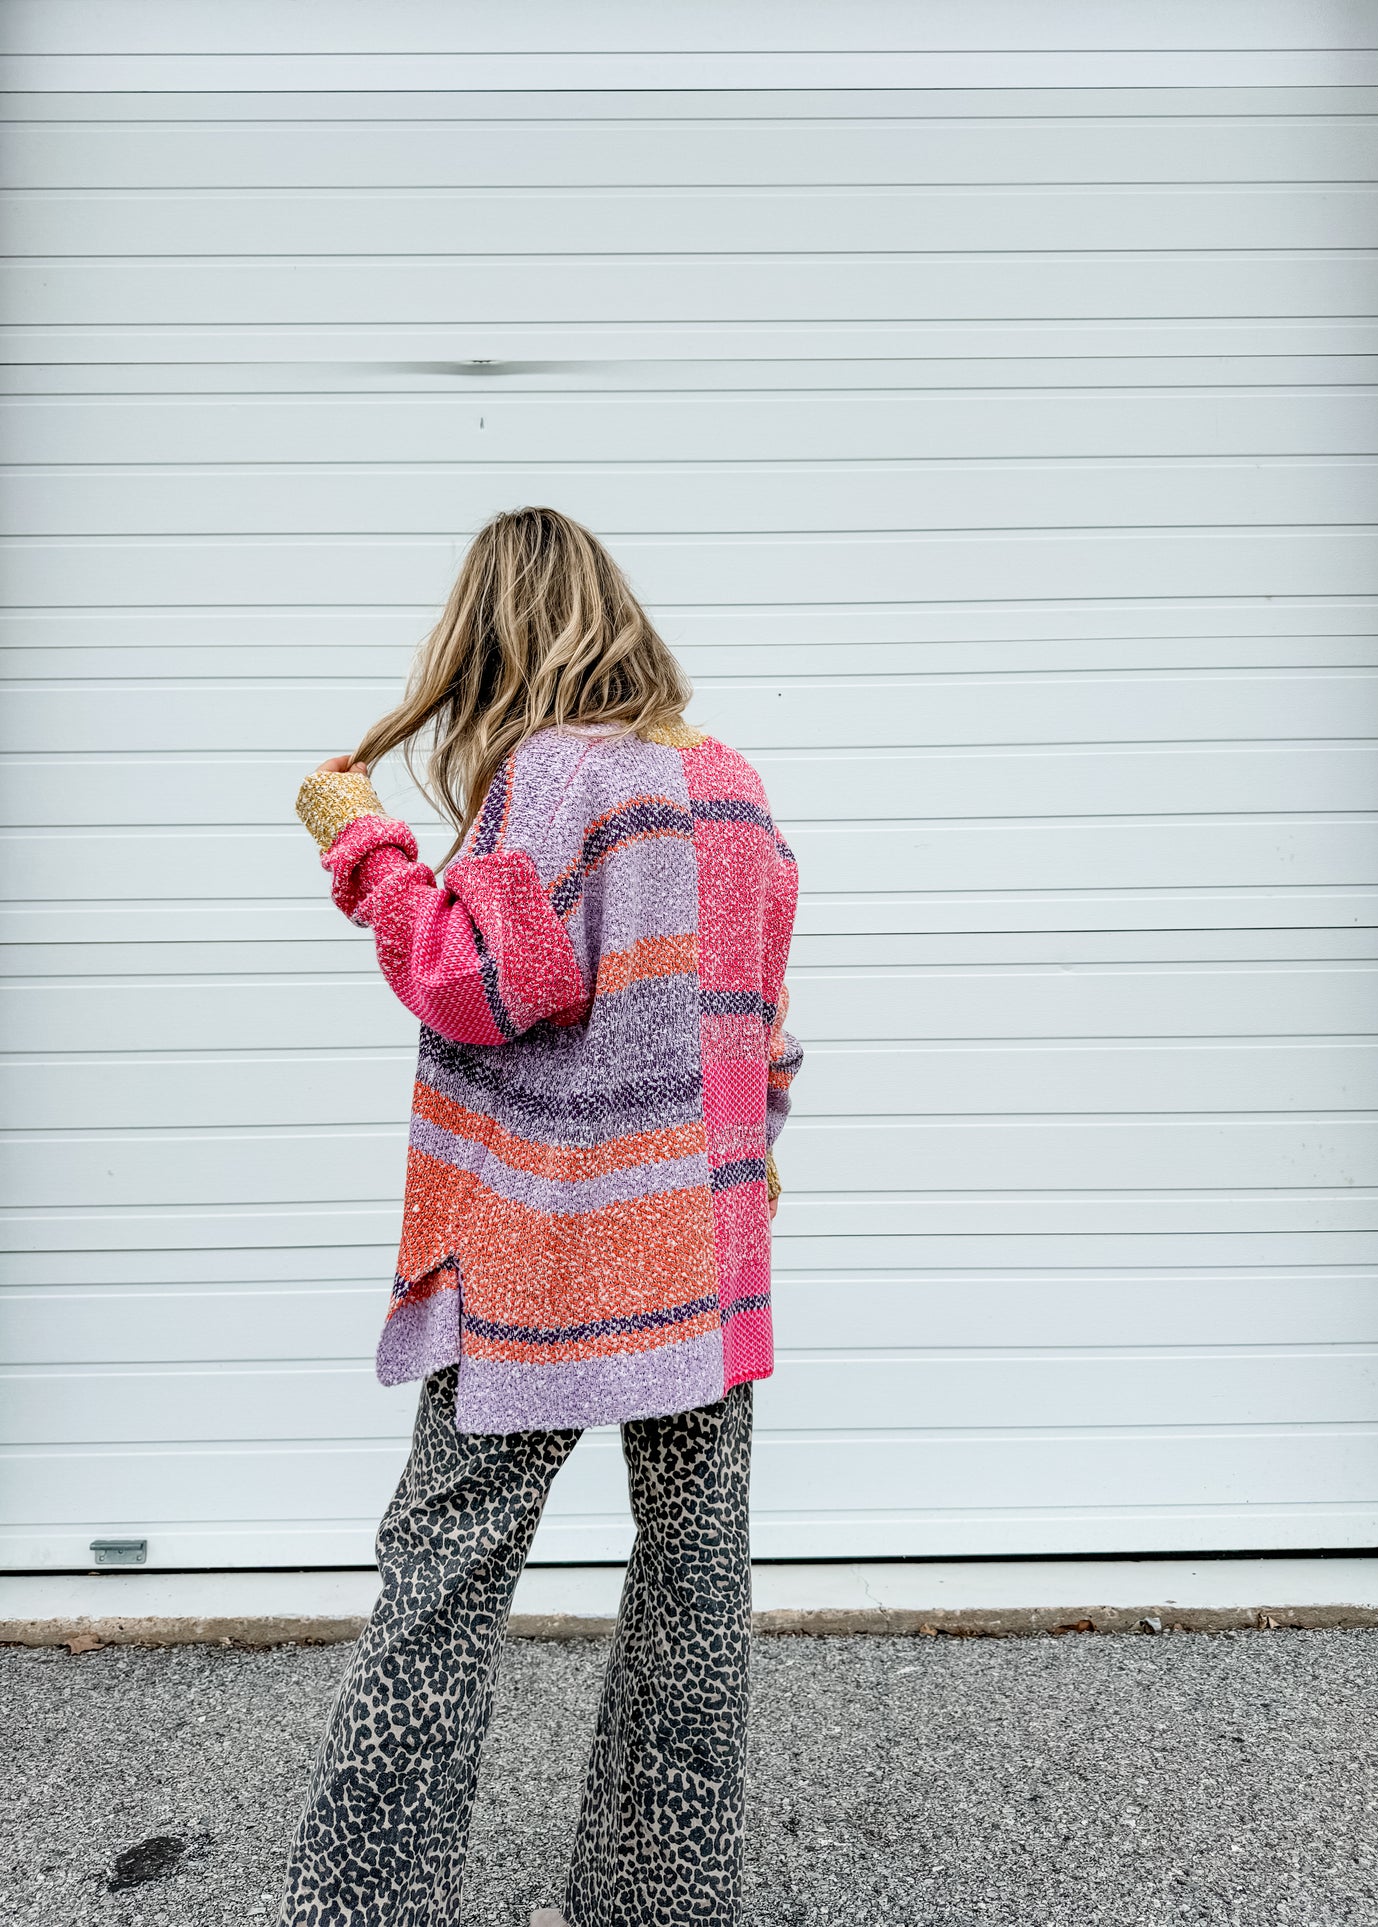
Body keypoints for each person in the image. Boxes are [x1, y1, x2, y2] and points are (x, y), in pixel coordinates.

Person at [277, 507, 802, 1927]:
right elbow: (764, 1033)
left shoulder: (552, 777)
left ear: (492, 638)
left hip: (550, 1253)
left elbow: (477, 985)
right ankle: (658, 1901)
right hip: (707, 1248)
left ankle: (364, 1910)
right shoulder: (735, 786)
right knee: (693, 1581)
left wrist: (365, 850)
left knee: (441, 1568)